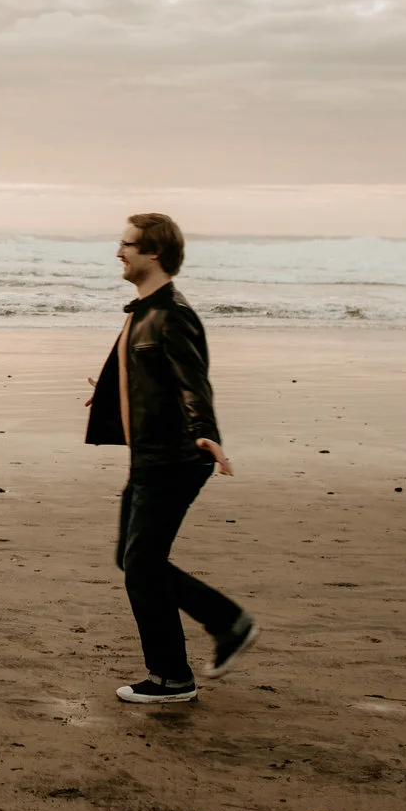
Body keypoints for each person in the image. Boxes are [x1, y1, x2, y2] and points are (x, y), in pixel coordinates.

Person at [84, 212, 256, 704]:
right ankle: (226, 625)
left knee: (141, 565)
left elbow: (193, 382)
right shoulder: (145, 310)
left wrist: (205, 433)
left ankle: (173, 677)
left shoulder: (172, 313)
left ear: (153, 252)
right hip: (151, 457)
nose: (119, 252)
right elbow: (150, 372)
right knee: (133, 559)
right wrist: (114, 394)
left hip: (176, 458)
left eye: (127, 244)